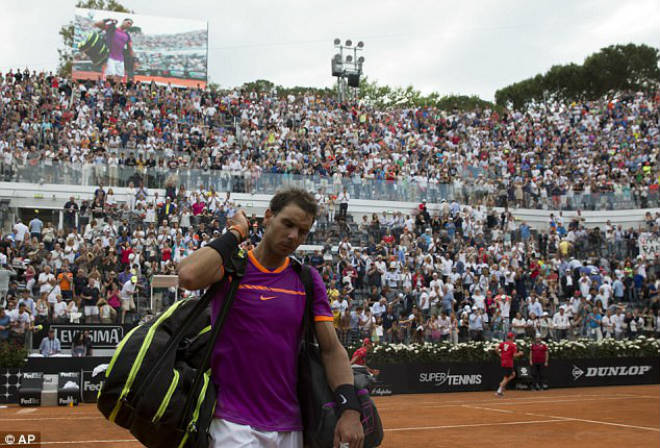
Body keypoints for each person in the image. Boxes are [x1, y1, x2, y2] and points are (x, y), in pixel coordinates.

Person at [178, 188, 364, 448]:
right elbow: (187, 275)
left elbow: (332, 349)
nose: (293, 236)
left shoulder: (307, 279)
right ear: (268, 217)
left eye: (302, 231)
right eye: (287, 224)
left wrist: (350, 409)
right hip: (232, 423)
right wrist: (236, 233)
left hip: (290, 426)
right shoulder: (233, 267)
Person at [93, 17, 136, 81]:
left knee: (120, 77)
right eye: (128, 22)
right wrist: (108, 19)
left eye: (130, 24)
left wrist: (134, 60)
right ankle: (107, 88)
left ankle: (114, 90)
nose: (129, 25)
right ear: (123, 21)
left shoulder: (127, 35)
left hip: (120, 58)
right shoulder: (112, 28)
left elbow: (130, 48)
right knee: (111, 75)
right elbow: (96, 24)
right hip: (109, 56)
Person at [495, 332, 523, 397]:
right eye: (513, 336)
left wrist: (499, 354)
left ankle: (502, 384)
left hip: (503, 362)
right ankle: (499, 391)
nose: (514, 337)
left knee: (513, 374)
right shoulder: (513, 345)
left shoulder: (503, 343)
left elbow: (496, 349)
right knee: (506, 377)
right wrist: (520, 354)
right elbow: (514, 355)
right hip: (508, 363)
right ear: (512, 337)